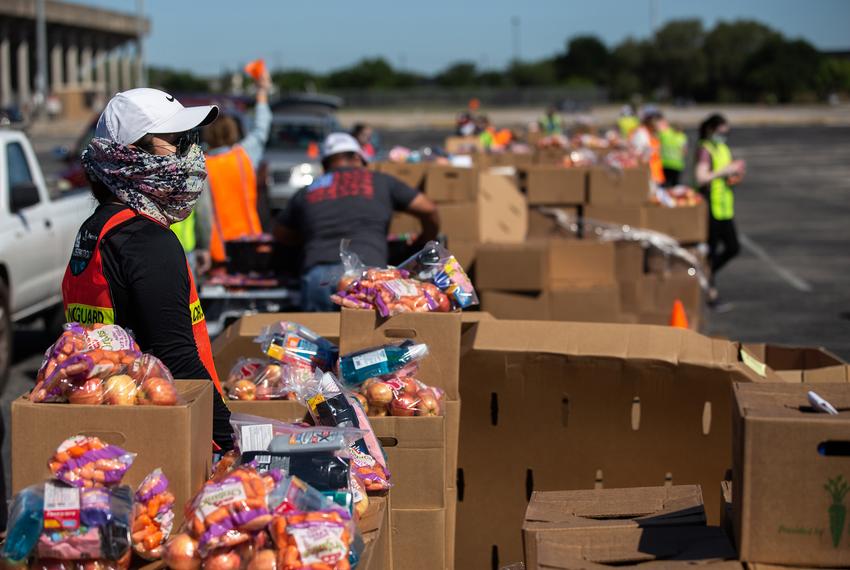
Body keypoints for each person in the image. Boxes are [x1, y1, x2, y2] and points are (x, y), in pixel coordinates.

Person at [62, 87, 232, 450]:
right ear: (130, 155)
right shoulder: (145, 240)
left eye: (188, 140)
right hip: (152, 428)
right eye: (174, 142)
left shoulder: (100, 226)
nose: (189, 154)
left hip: (108, 415)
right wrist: (228, 438)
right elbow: (176, 357)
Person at [274, 133, 440, 312]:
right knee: (365, 337)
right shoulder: (379, 180)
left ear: (325, 163)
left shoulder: (308, 190)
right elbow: (428, 209)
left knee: (317, 337)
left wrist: (309, 237)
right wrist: (423, 241)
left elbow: (281, 233)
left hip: (319, 275)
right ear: (357, 157)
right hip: (369, 274)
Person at [202, 70, 273, 264]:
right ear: (234, 132)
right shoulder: (244, 156)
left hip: (216, 248)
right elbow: (261, 128)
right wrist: (261, 92)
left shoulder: (200, 164)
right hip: (250, 242)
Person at [695, 113, 746, 305]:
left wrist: (735, 175)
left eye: (726, 132)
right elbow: (701, 178)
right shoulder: (705, 149)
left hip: (725, 206)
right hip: (710, 206)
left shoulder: (723, 148)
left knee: (733, 247)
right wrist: (725, 171)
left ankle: (704, 275)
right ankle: (710, 292)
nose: (723, 135)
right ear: (710, 129)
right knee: (711, 250)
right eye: (720, 131)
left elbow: (725, 175)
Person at [630, 107, 666, 187]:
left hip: (654, 175)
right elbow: (638, 157)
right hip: (647, 177)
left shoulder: (650, 134)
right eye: (658, 121)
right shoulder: (641, 134)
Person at [659, 121, 688, 187]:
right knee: (675, 186)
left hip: (665, 164)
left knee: (664, 185)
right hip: (676, 165)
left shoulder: (665, 133)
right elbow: (684, 151)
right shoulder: (682, 137)